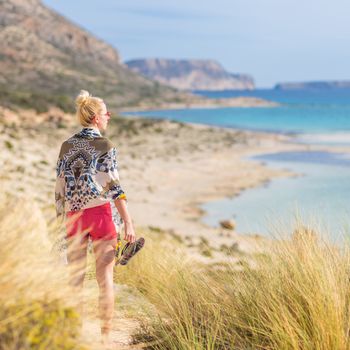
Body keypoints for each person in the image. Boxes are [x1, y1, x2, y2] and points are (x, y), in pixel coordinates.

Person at [54, 90, 136, 345]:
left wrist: (60, 221)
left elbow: (59, 188)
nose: (109, 117)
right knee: (105, 280)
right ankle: (105, 339)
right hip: (102, 215)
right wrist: (129, 223)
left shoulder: (66, 146)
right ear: (95, 118)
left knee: (75, 278)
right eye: (106, 113)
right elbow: (113, 186)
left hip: (74, 216)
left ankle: (73, 334)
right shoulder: (105, 145)